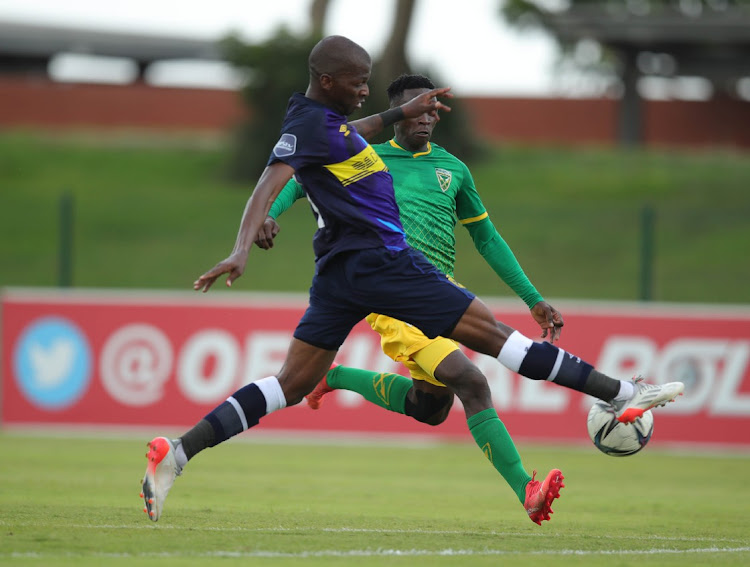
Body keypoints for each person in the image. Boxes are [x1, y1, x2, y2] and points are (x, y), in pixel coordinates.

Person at [141, 35, 684, 525]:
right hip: (386, 265)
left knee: (293, 384)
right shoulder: (306, 128)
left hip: (340, 275)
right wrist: (243, 246)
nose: (365, 90)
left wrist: (401, 108)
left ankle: (178, 454)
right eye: (358, 82)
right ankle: (622, 392)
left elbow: (355, 132)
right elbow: (270, 180)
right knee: (498, 344)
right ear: (328, 81)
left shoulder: (327, 125)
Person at [255, 73, 569, 524]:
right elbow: (296, 182)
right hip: (389, 291)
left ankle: (335, 376)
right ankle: (527, 490)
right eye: (415, 110)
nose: (424, 118)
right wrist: (266, 213)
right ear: (398, 115)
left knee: (430, 408)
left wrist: (533, 298)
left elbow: (487, 238)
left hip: (439, 297)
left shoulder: (453, 170)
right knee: (472, 382)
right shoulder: (363, 155)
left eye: (430, 111)